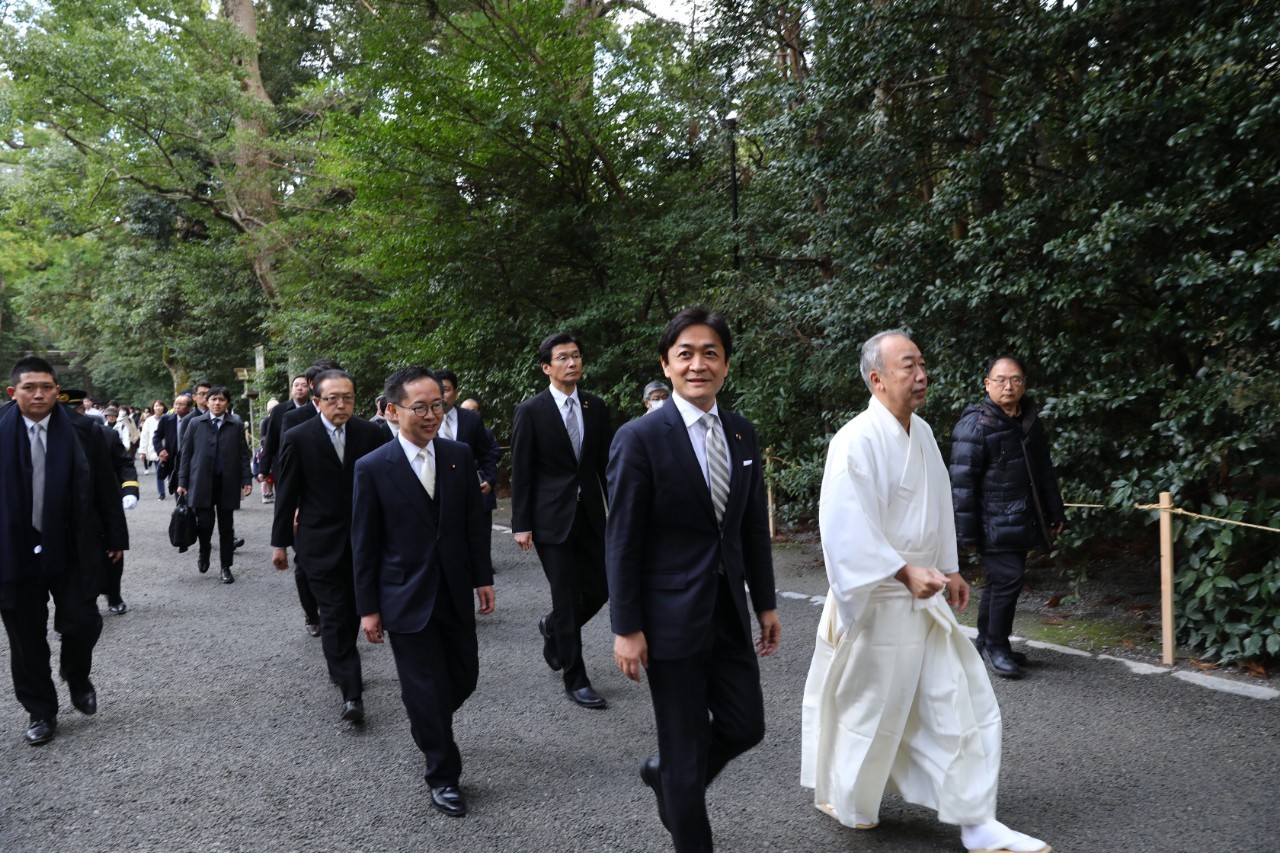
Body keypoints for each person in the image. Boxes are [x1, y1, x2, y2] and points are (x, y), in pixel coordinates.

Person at [800, 330, 1050, 853]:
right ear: (876, 378)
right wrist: (901, 570)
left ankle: (976, 822)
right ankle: (849, 796)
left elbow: (940, 503)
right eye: (908, 366)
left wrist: (948, 567)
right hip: (879, 600)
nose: (921, 376)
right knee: (869, 712)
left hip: (924, 597)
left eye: (922, 364)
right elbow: (846, 530)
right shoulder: (855, 440)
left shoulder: (925, 433)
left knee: (958, 699)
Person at [606, 308, 779, 851]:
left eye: (711, 353)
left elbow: (750, 527)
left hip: (726, 610)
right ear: (667, 363)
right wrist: (626, 626)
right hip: (667, 620)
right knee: (684, 751)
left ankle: (669, 779)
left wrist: (766, 605)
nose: (698, 364)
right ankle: (683, 804)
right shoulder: (640, 438)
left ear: (726, 364)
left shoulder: (741, 432)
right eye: (685, 354)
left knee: (746, 725)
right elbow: (622, 540)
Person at [350, 366, 495, 817]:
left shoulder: (458, 455)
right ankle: (443, 773)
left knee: (464, 676)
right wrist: (368, 609)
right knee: (426, 688)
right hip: (404, 597)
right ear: (393, 412)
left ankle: (425, 716)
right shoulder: (373, 467)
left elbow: (473, 526)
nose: (431, 415)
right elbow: (364, 542)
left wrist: (482, 577)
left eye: (438, 405)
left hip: (452, 589)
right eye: (420, 407)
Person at [0, 358, 128, 746]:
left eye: (47, 387)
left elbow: (106, 485)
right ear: (13, 392)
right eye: (29, 388)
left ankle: (75, 672)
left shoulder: (83, 429)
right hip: (14, 548)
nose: (39, 394)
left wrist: (115, 538)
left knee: (83, 620)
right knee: (25, 637)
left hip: (71, 543)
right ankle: (41, 710)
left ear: (57, 390)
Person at [271, 370, 387, 724]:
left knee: (352, 610)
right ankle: (352, 693)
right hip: (318, 540)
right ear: (318, 401)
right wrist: (280, 544)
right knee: (335, 614)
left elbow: (385, 485)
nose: (341, 404)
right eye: (333, 398)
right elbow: (287, 493)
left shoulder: (371, 433)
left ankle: (340, 663)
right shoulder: (298, 436)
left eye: (348, 397)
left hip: (364, 539)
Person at [510, 333, 614, 709]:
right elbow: (520, 470)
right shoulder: (531, 410)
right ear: (546, 367)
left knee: (601, 589)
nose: (572, 363)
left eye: (576, 356)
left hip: (591, 517)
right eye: (563, 358)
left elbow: (605, 465)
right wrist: (521, 523)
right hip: (550, 520)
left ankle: (552, 627)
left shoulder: (595, 407)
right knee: (567, 596)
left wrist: (618, 509)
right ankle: (576, 677)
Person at [949, 357, 1065, 679]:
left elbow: (1043, 470)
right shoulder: (975, 426)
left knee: (1001, 581)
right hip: (991, 521)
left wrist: (1054, 511)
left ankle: (987, 641)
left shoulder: (1028, 419)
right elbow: (961, 484)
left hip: (1020, 517)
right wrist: (965, 535)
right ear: (987, 384)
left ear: (1024, 384)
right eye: (1000, 380)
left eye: (1015, 380)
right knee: (1009, 579)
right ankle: (997, 646)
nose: (1008, 386)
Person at [260, 371, 322, 635]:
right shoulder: (287, 415)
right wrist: (264, 470)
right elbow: (273, 446)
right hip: (298, 496)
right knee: (304, 563)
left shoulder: (354, 425)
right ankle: (311, 613)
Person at [177, 386, 253, 583]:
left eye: (221, 400)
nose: (217, 403)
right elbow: (186, 454)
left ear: (227, 403)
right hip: (201, 481)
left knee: (227, 527)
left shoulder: (235, 424)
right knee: (205, 524)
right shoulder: (195, 423)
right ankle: (204, 552)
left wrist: (246, 480)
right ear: (206, 402)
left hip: (227, 482)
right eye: (213, 399)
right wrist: (182, 481)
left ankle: (226, 567)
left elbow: (244, 454)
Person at [435, 370, 501, 537]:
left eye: (446, 390)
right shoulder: (425, 419)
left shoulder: (472, 419)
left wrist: (489, 478)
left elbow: (486, 453)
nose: (442, 395)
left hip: (472, 493)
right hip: (438, 495)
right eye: (437, 390)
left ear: (456, 392)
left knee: (477, 543)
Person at [153, 393, 190, 499]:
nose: (177, 407)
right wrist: (160, 450)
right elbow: (156, 436)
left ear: (189, 407)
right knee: (178, 493)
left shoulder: (195, 419)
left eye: (181, 404)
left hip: (192, 461)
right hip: (173, 461)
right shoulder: (167, 419)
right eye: (176, 404)